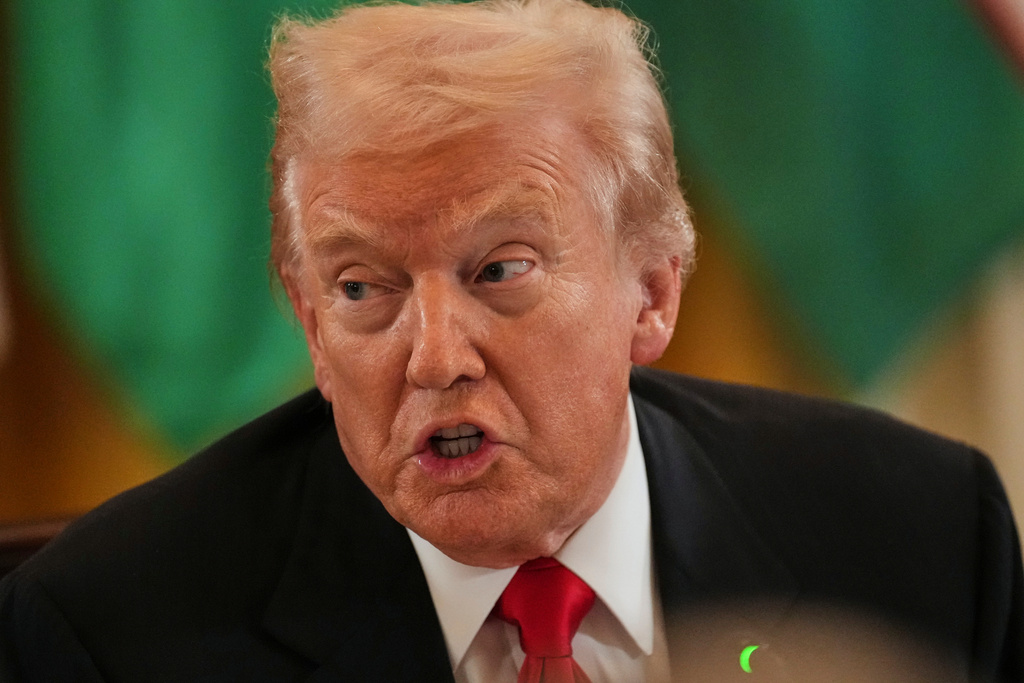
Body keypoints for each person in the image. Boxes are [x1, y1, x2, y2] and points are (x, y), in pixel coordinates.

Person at [1, 0, 1021, 681]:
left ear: (654, 289)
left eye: (500, 270)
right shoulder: (111, 636)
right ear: (309, 324)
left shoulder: (923, 540)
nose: (435, 355)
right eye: (363, 288)